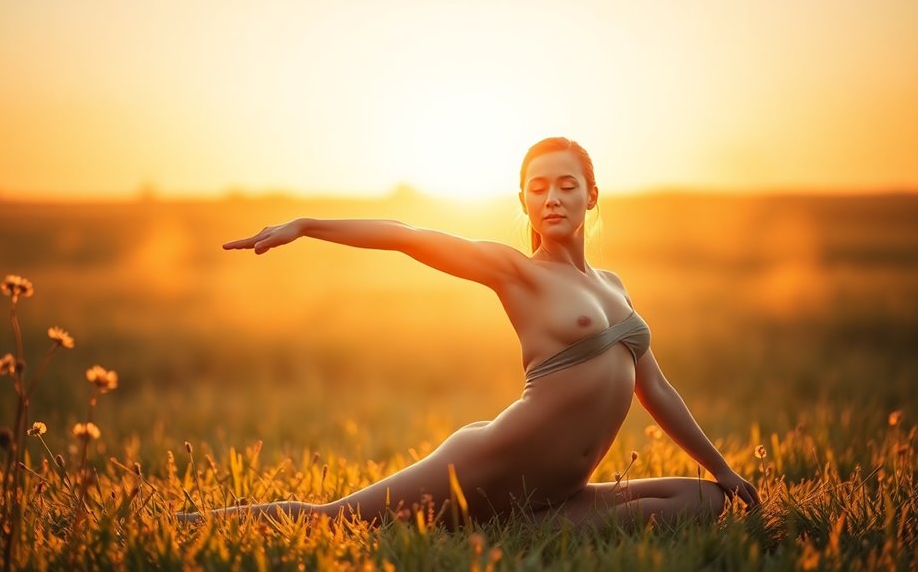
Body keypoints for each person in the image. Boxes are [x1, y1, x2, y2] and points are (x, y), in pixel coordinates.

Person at [183, 137, 759, 530]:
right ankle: (182, 523)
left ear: (592, 194)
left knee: (707, 499)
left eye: (566, 184)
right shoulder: (517, 273)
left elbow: (654, 389)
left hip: (557, 489)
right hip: (488, 462)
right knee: (331, 519)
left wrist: (723, 468)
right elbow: (408, 234)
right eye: (537, 188)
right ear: (523, 201)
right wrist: (307, 225)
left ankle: (535, 527)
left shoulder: (614, 284)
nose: (552, 197)